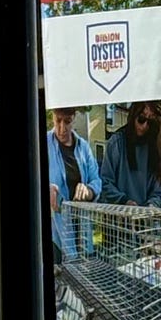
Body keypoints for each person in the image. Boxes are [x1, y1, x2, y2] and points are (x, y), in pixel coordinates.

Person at [47, 108, 100, 260]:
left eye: (67, 122)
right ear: (52, 117)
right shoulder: (42, 144)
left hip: (82, 230)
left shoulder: (83, 147)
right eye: (58, 121)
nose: (62, 128)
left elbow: (96, 181)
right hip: (55, 233)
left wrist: (88, 190)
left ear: (74, 119)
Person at [99, 102, 161, 207]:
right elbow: (105, 182)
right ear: (133, 116)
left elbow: (157, 190)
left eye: (150, 122)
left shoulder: (156, 148)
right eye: (141, 119)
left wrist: (151, 205)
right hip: (117, 215)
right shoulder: (116, 142)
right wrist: (124, 201)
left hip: (145, 219)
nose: (144, 126)